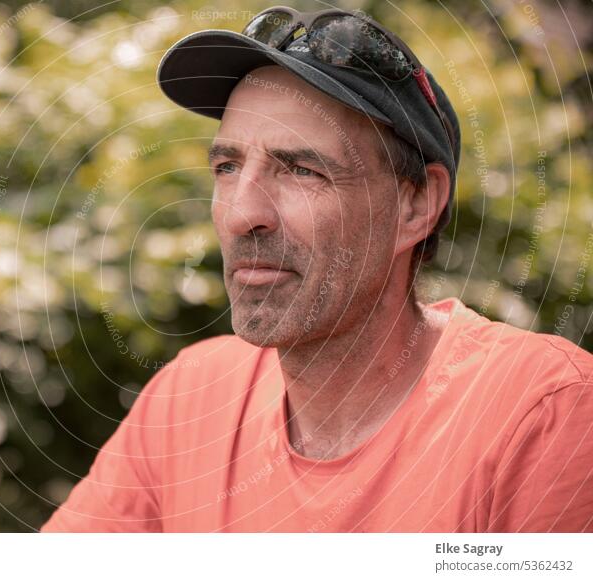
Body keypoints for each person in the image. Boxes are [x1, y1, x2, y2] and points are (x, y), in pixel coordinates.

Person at [41, 7, 593, 532]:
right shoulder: (189, 400)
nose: (241, 214)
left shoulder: (543, 415)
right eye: (228, 167)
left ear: (416, 205)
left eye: (302, 170)